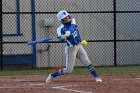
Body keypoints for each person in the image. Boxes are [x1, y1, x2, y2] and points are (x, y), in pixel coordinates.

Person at [46, 10, 102, 84]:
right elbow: (62, 40)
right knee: (68, 70)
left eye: (67, 16)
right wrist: (62, 38)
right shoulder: (60, 29)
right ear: (61, 20)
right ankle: (52, 75)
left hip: (79, 45)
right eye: (64, 18)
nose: (67, 18)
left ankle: (96, 77)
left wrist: (68, 33)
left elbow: (72, 27)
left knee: (87, 62)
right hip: (71, 49)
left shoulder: (73, 20)